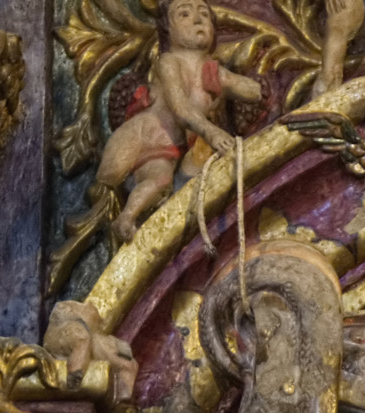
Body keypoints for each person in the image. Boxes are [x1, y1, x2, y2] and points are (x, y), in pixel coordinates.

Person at [94, 0, 263, 247]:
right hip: (143, 135)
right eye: (184, 14)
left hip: (167, 150)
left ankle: (127, 218)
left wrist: (266, 88)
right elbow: (181, 108)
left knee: (160, 181)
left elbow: (247, 88)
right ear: (167, 31)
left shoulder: (210, 70)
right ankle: (124, 213)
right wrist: (213, 132)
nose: (198, 20)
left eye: (204, 14)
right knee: (109, 175)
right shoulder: (169, 63)